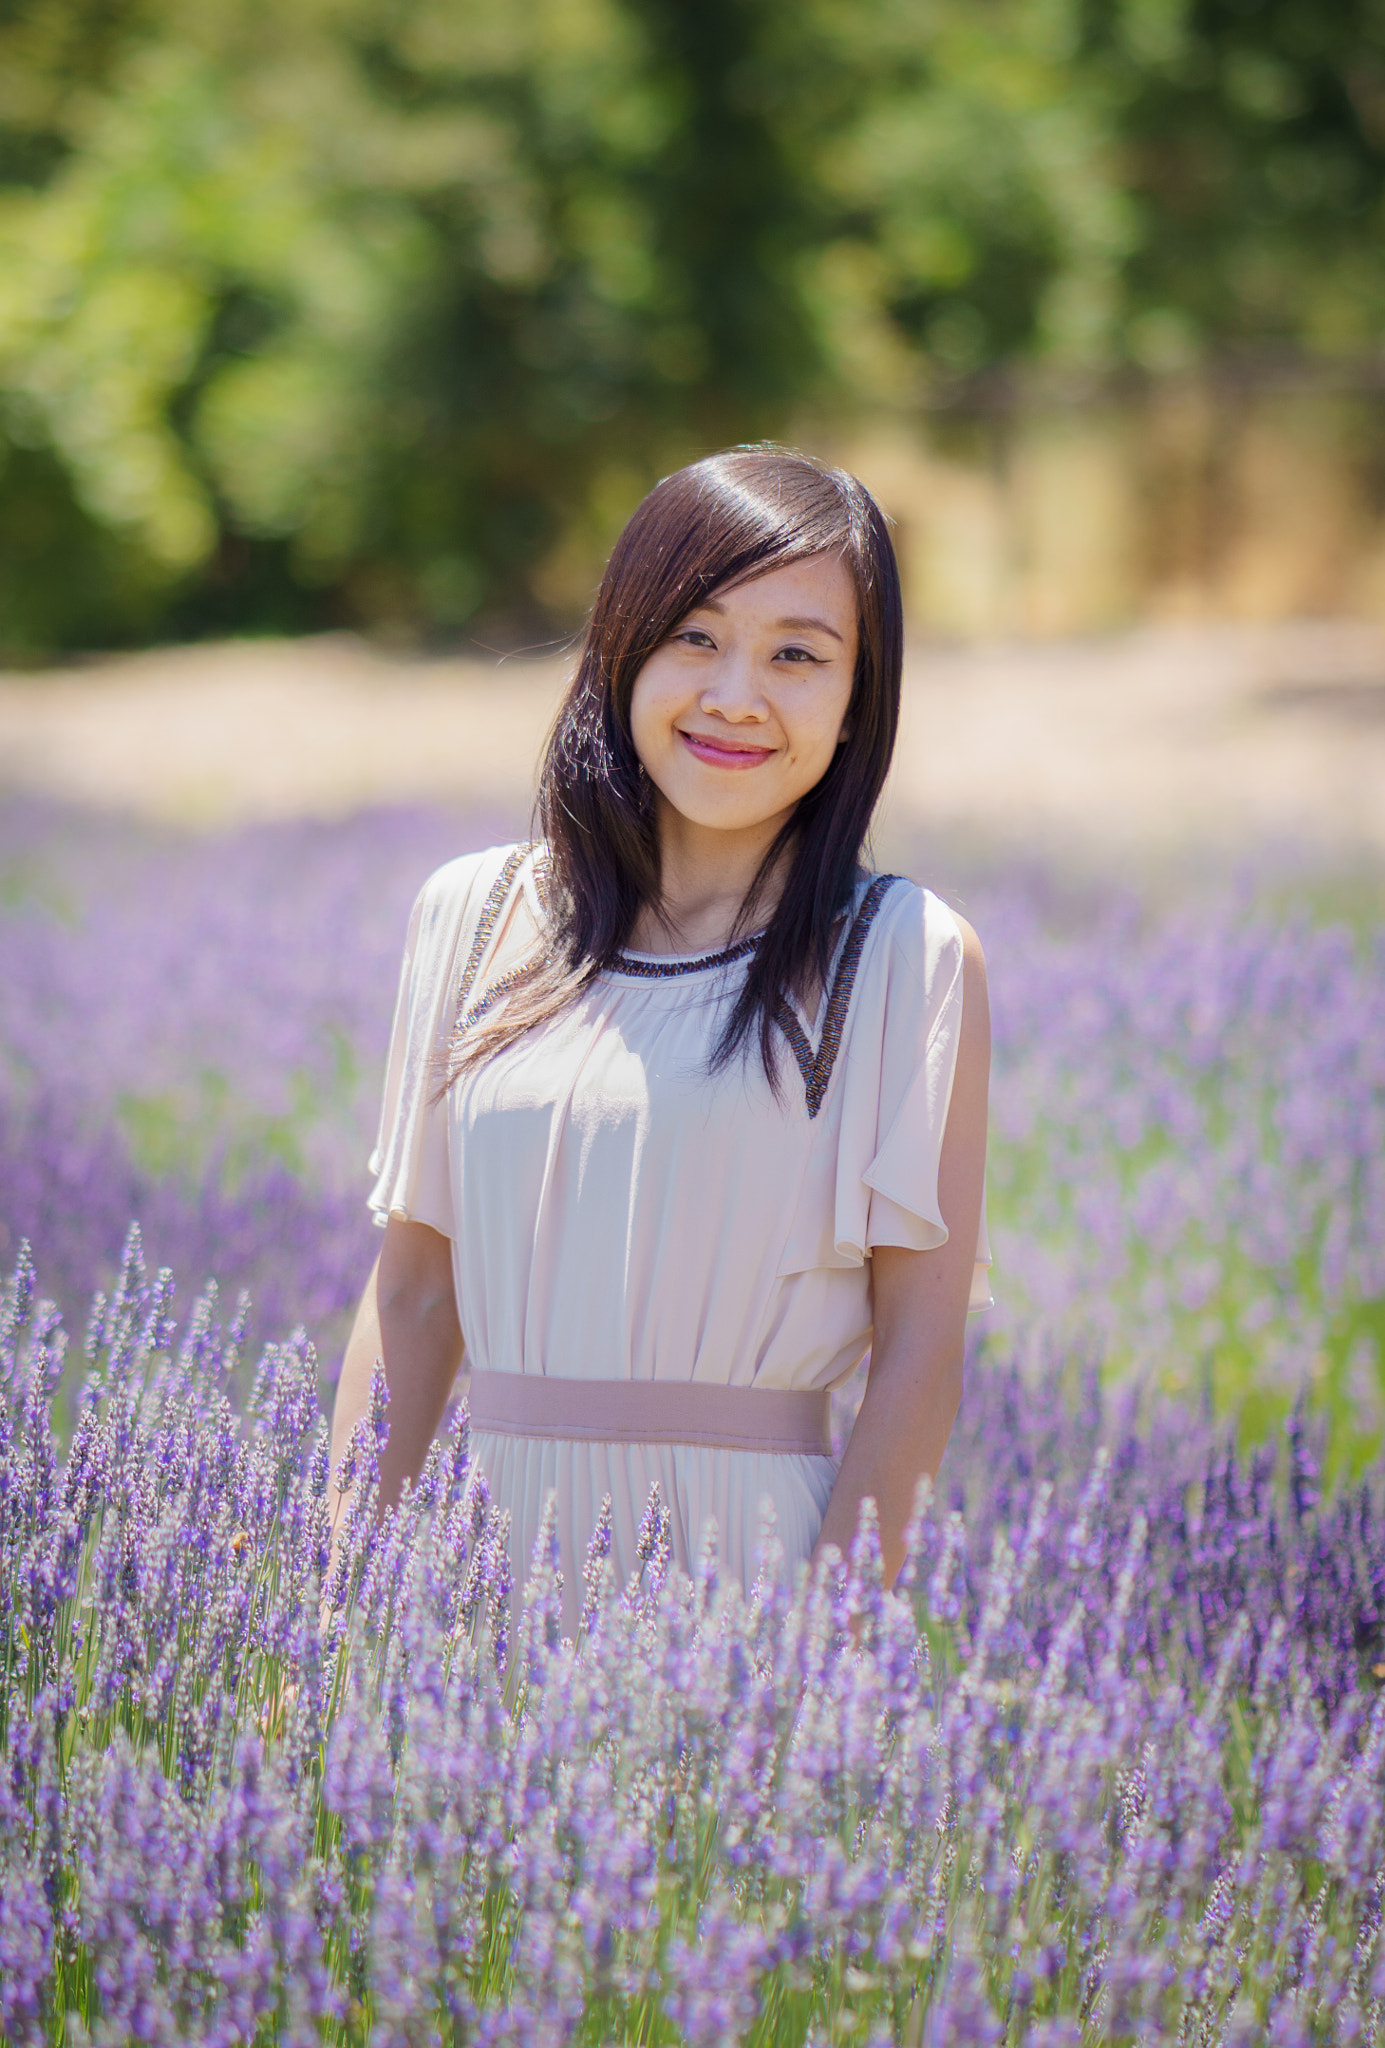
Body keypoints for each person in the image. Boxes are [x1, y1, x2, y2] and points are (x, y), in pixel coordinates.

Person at [327, 446, 991, 1630]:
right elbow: (414, 1301)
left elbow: (917, 1359)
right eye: (694, 635)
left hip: (742, 1591)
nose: (735, 693)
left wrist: (813, 1674)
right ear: (620, 652)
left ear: (854, 704)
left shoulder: (904, 956)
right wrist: (325, 1613)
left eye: (797, 654)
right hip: (470, 1582)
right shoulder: (474, 917)